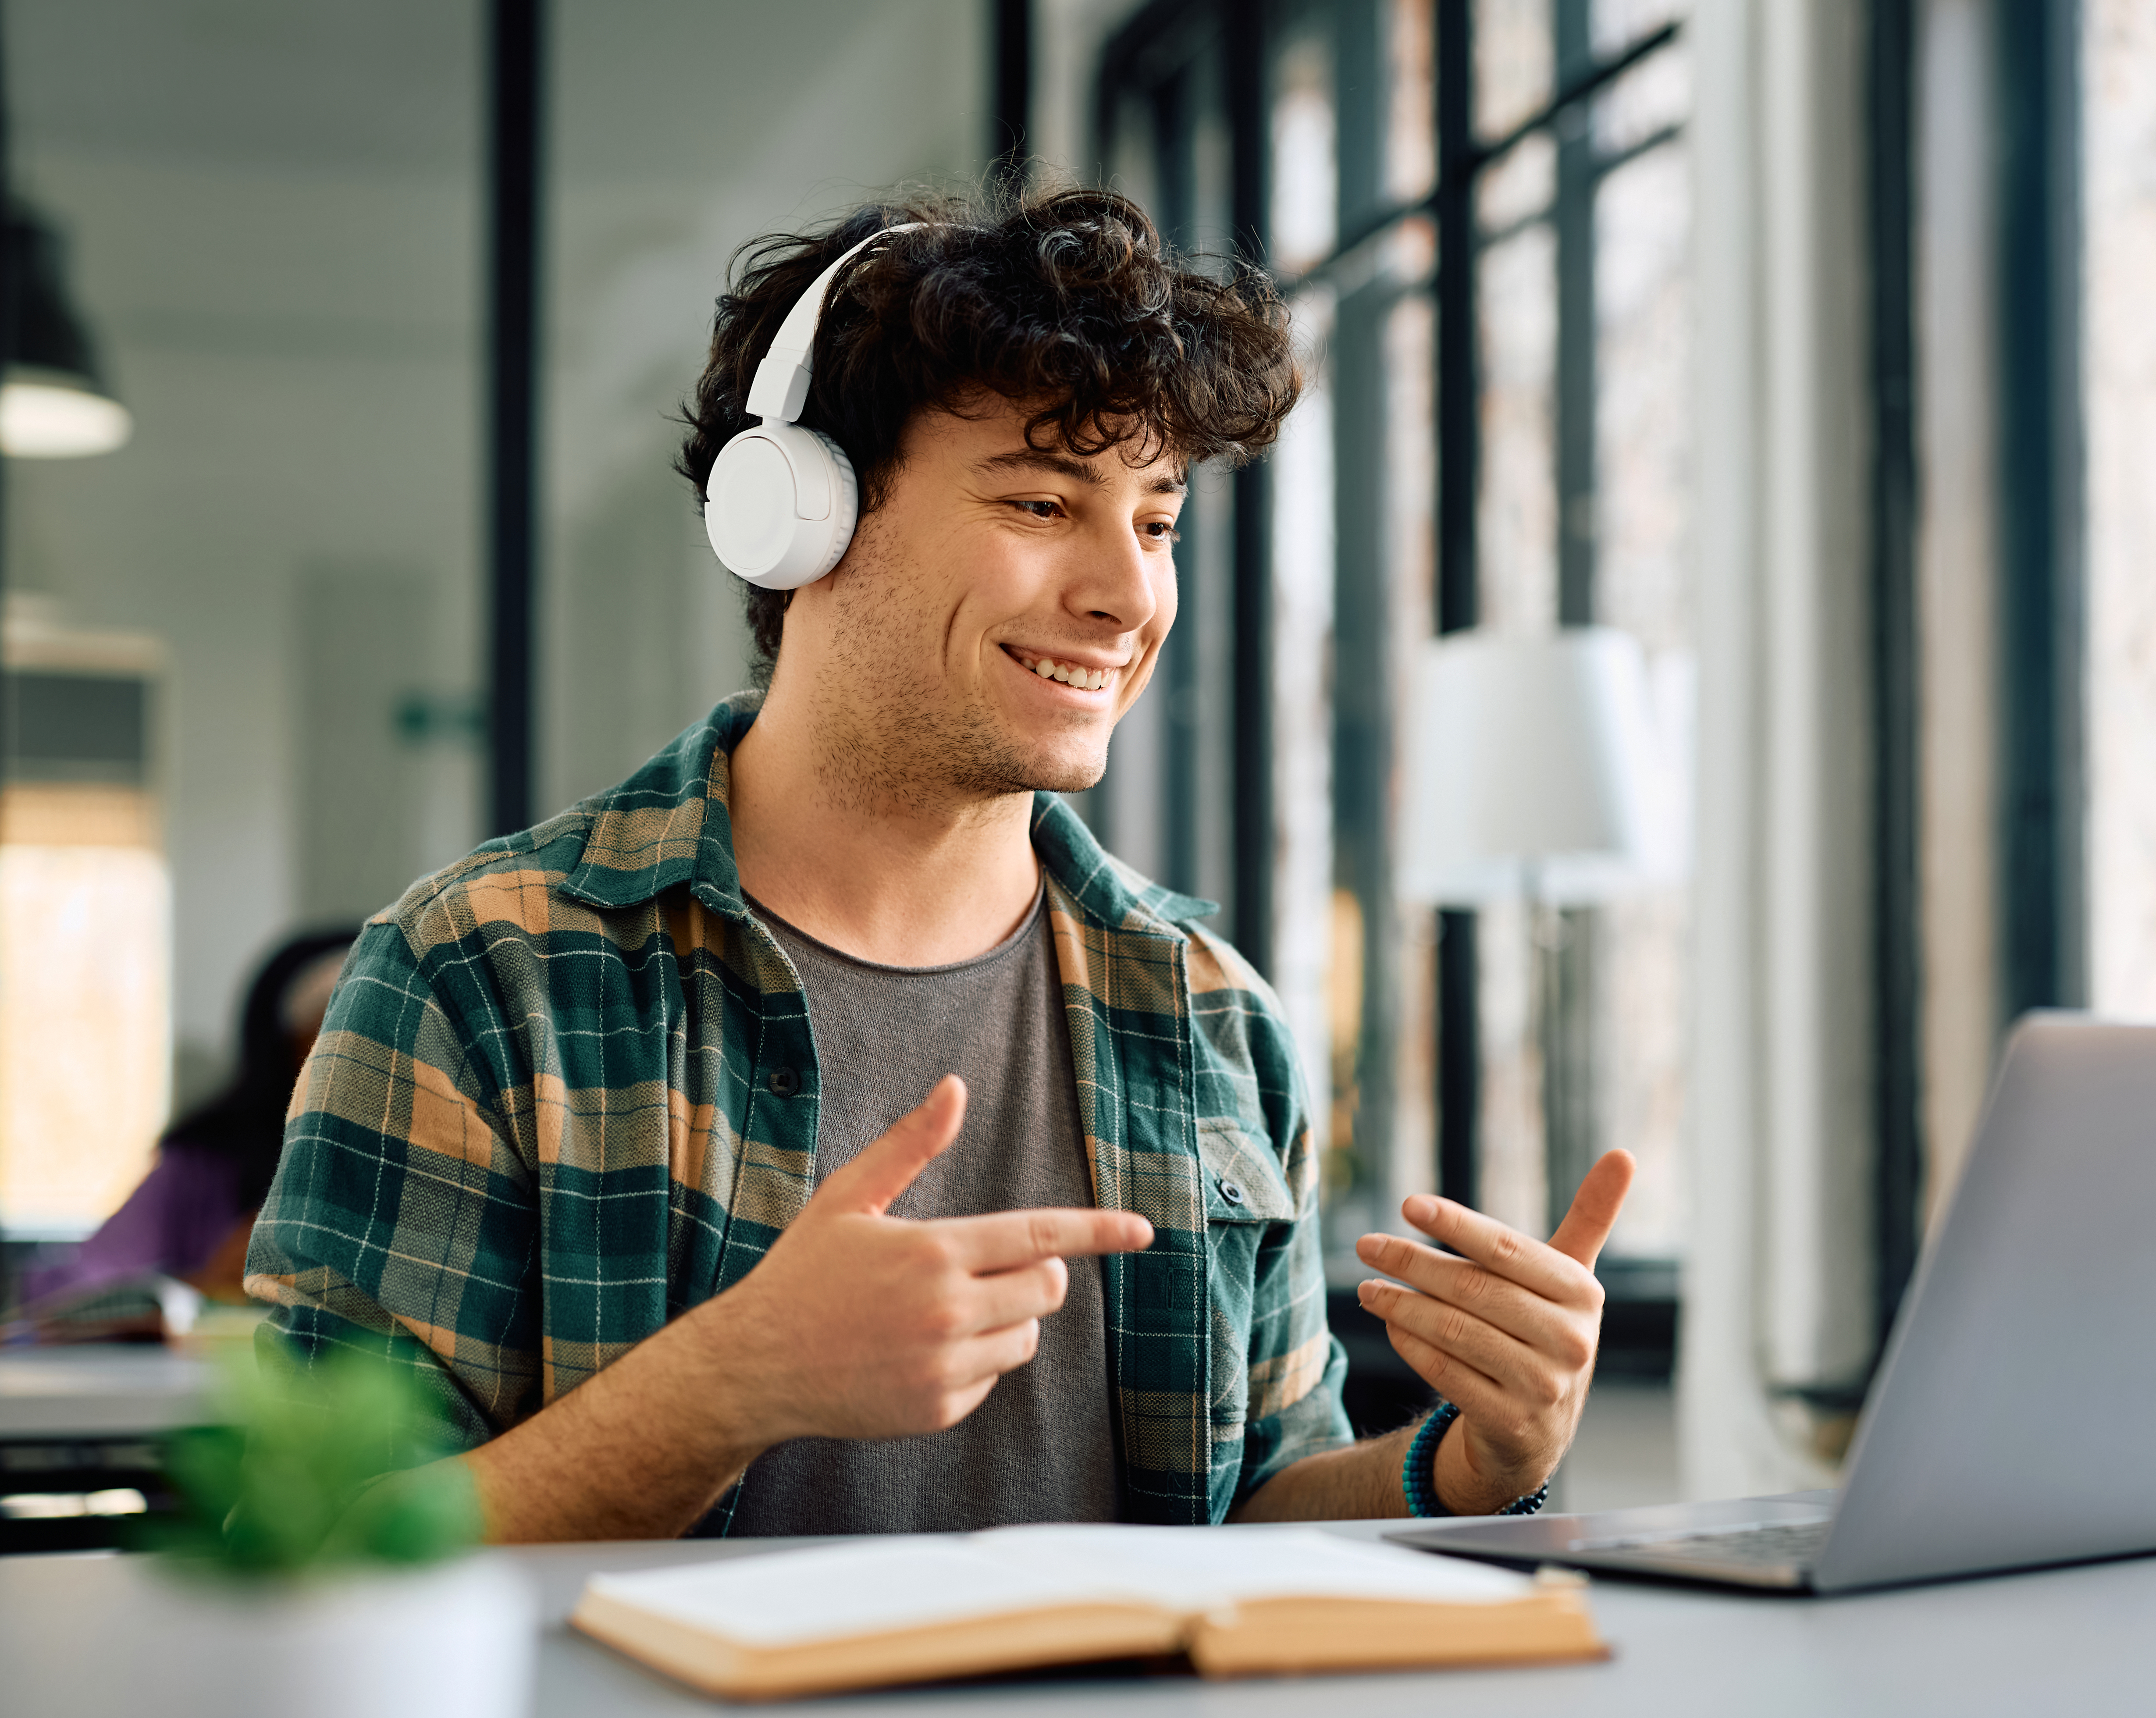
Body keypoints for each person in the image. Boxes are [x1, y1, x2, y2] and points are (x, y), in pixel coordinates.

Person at [245, 185, 1636, 1539]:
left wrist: (1475, 1459)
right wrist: (726, 1385)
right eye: (1041, 504)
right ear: (797, 516)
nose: (1126, 592)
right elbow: (313, 1555)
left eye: (1154, 519)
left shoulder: (1210, 1015)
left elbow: (1253, 1512)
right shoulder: (483, 975)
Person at [18, 926, 354, 1337]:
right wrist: (203, 1288)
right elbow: (69, 1291)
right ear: (287, 1040)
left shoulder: (429, 1162)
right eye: (335, 1031)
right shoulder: (205, 1164)